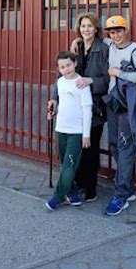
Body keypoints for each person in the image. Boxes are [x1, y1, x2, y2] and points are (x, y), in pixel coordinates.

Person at [48, 13, 109, 201]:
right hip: (73, 110)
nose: (86, 30)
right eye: (83, 26)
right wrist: (54, 98)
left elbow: (108, 79)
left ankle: (91, 189)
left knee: (90, 150)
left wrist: (91, 81)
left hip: (94, 107)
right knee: (76, 151)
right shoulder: (77, 47)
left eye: (90, 26)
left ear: (96, 28)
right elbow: (63, 75)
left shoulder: (104, 48)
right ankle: (78, 184)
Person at [103, 15, 136, 216]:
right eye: (112, 32)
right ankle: (128, 188)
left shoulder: (135, 50)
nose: (116, 35)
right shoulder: (110, 45)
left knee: (125, 146)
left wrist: (118, 73)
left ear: (126, 30)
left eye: (119, 31)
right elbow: (91, 37)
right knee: (114, 143)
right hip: (113, 101)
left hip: (128, 106)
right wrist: (76, 41)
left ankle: (121, 195)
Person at [45, 51, 93, 211]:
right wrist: (53, 109)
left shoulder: (81, 84)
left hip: (76, 131)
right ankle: (72, 193)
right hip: (61, 128)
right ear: (59, 69)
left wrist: (86, 134)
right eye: (62, 67)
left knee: (69, 165)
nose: (66, 69)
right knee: (64, 163)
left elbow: (87, 110)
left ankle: (58, 197)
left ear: (75, 64)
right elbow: (59, 101)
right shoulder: (60, 82)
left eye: (68, 65)